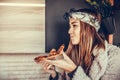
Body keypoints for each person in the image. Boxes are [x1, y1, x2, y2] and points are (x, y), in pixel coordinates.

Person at [40, 8, 108, 80]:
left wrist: (73, 71)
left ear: (90, 29)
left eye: (74, 25)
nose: (69, 31)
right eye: (70, 26)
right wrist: (54, 74)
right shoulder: (71, 54)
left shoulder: (114, 55)